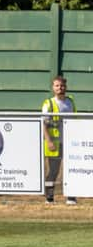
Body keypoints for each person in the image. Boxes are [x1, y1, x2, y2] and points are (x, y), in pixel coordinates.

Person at [42, 75, 77, 205]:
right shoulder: (49, 103)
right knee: (53, 171)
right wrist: (49, 141)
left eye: (62, 85)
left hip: (69, 142)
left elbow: (75, 121)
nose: (60, 88)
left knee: (71, 169)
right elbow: (44, 124)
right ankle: (49, 197)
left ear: (65, 87)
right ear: (53, 88)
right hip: (54, 144)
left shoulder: (70, 102)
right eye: (57, 85)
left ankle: (71, 197)